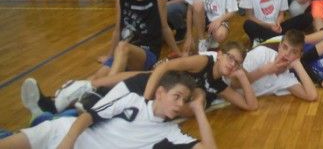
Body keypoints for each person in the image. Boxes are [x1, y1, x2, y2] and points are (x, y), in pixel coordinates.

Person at [3, 71, 217, 149]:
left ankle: (41, 114)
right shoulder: (132, 100)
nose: (180, 104)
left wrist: (198, 109)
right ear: (160, 93)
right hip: (66, 132)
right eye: (176, 97)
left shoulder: (171, 134)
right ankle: (43, 116)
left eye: (184, 100)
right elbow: (88, 117)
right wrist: (67, 142)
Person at [97, 0, 181, 78]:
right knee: (96, 78)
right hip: (122, 52)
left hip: (147, 53)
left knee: (122, 46)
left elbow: (165, 28)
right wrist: (110, 56)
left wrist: (178, 54)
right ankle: (110, 81)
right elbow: (117, 30)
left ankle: (110, 84)